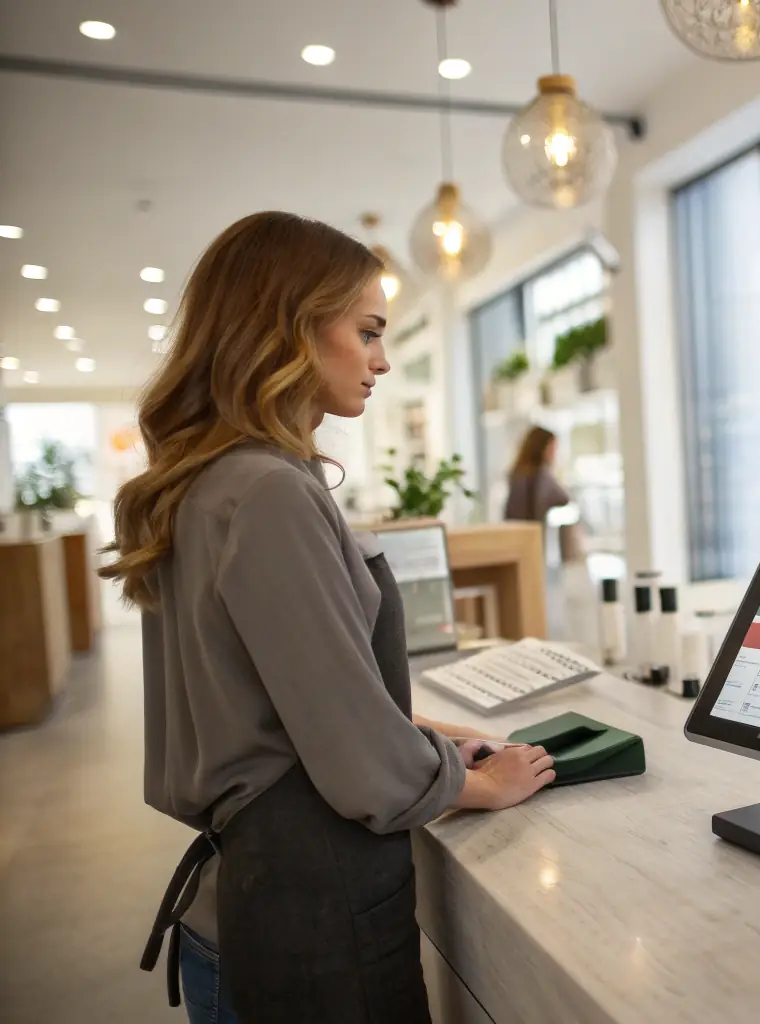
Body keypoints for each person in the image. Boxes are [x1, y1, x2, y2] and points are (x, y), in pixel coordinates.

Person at [101, 211, 556, 1024]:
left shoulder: (202, 485)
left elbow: (282, 700)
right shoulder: (270, 492)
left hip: (241, 908)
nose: (382, 360)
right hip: (309, 918)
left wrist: (433, 734)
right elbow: (353, 762)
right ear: (287, 329)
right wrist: (481, 782)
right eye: (368, 331)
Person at [503, 425, 572, 528]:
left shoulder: (518, 473)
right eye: (552, 448)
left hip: (516, 532)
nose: (554, 453)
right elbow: (563, 498)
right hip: (531, 534)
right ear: (542, 447)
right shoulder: (540, 474)